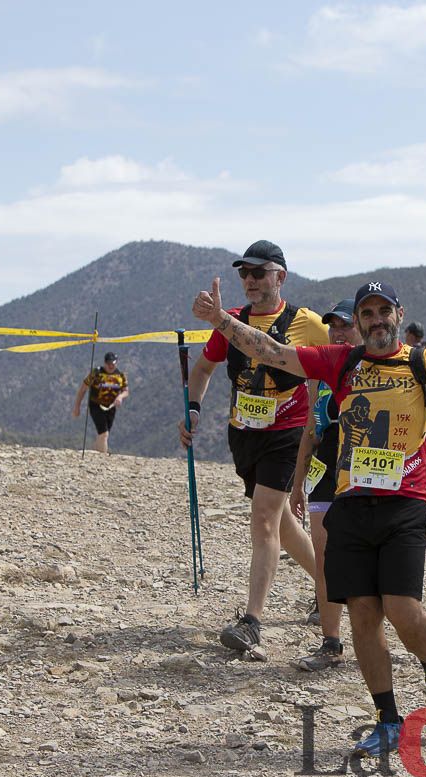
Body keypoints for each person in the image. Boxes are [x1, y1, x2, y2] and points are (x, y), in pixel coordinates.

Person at [191, 277, 426, 756]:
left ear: (397, 313)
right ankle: (387, 720)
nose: (375, 321)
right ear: (359, 321)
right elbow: (271, 353)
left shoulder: (422, 364)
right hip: (351, 506)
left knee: (402, 609)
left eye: (382, 312)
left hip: (404, 506)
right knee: (364, 617)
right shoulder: (341, 361)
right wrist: (221, 321)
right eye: (366, 314)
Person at [177, 240, 323, 658]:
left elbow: (340, 357)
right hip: (243, 433)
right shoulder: (232, 321)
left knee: (262, 519)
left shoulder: (305, 322)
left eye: (259, 273)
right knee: (279, 524)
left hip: (288, 434)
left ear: (281, 276)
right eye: (244, 273)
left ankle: (252, 622)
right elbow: (204, 367)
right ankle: (329, 586)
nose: (250, 280)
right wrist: (193, 408)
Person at [288, 298, 361, 672]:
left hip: (364, 476)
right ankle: (331, 643)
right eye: (333, 327)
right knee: (325, 562)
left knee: (368, 562)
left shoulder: (374, 370)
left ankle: (377, 639)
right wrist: (298, 484)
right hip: (323, 476)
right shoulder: (319, 376)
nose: (338, 332)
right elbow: (310, 431)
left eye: (346, 325)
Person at [73, 352, 129, 454]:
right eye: (108, 364)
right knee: (104, 433)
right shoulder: (96, 373)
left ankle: (95, 453)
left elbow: (126, 391)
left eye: (113, 363)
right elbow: (83, 389)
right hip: (96, 405)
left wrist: (120, 397)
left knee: (102, 434)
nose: (111, 366)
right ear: (104, 363)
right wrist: (77, 407)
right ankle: (102, 458)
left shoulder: (121, 375)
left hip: (111, 407)